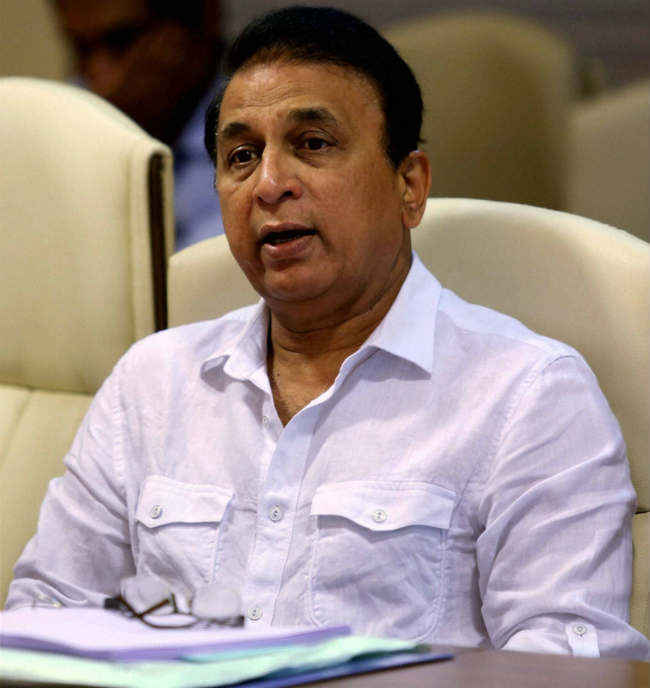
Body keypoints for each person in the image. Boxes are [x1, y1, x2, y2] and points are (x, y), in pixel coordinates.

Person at [7, 6, 648, 660]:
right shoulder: (153, 381)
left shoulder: (526, 396)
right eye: (241, 156)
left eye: (313, 144)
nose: (269, 185)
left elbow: (568, 665)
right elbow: (44, 615)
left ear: (410, 185)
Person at [53, 0, 224, 250]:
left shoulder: (264, 138)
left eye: (122, 42)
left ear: (205, 17)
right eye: (81, 49)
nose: (103, 84)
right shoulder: (62, 122)